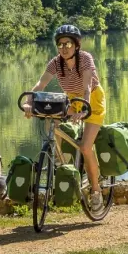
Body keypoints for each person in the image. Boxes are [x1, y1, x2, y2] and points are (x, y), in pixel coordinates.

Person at [25, 25, 106, 213]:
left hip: (92, 99)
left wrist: (84, 108)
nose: (64, 48)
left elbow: (86, 87)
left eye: (68, 43)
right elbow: (41, 83)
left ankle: (96, 191)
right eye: (60, 44)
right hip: (70, 98)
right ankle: (62, 163)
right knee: (52, 122)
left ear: (76, 45)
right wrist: (29, 101)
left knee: (85, 147)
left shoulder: (85, 59)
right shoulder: (55, 63)